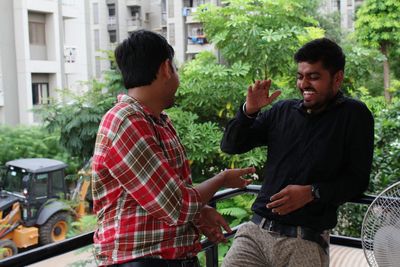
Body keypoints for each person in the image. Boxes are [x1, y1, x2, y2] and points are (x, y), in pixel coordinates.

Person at [91, 30, 255, 267]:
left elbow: (163, 195)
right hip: (141, 261)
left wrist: (198, 216)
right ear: (166, 68)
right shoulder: (126, 121)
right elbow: (177, 205)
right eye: (176, 68)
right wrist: (222, 179)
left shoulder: (158, 121)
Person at [220, 38, 374, 267]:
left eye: (313, 77)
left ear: (337, 78)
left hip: (305, 240)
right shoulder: (282, 111)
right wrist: (248, 111)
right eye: (300, 76)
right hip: (255, 233)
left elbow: (357, 180)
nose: (304, 84)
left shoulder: (354, 115)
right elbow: (231, 145)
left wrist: (312, 192)